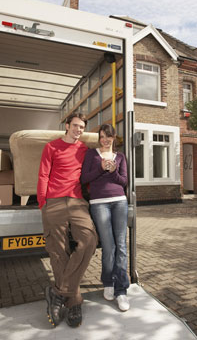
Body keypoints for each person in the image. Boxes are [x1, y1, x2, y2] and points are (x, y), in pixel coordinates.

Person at [37, 113, 98, 328]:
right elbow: (43, 174)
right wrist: (43, 202)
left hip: (77, 201)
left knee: (89, 240)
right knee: (57, 249)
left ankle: (59, 292)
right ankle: (74, 301)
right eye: (75, 126)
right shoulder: (51, 147)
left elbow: (91, 174)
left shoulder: (85, 151)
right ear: (67, 126)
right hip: (53, 201)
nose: (78, 130)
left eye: (82, 127)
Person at [81, 123, 130, 312]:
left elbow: (124, 182)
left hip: (119, 201)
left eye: (108, 136)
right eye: (102, 136)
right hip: (99, 203)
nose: (105, 140)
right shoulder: (91, 155)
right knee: (108, 247)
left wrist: (113, 171)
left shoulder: (121, 157)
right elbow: (84, 178)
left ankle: (121, 290)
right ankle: (108, 282)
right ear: (99, 138)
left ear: (113, 138)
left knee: (121, 246)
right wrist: (101, 168)